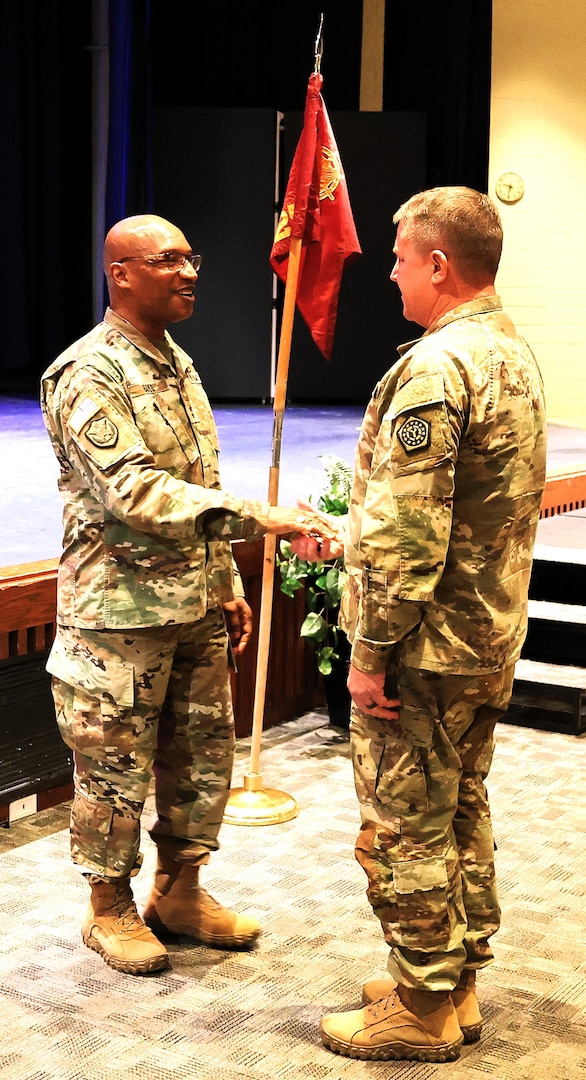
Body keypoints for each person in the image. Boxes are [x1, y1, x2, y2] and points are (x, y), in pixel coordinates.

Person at [40, 213, 340, 976]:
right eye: (167, 259)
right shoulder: (89, 372)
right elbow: (135, 492)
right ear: (121, 274)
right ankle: (107, 908)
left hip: (194, 608)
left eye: (191, 257)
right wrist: (258, 518)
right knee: (113, 772)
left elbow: (195, 484)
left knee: (202, 757)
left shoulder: (176, 362)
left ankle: (179, 891)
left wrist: (225, 581)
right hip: (118, 618)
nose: (189, 271)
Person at [293, 187, 547, 1063]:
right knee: (460, 809)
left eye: (400, 259)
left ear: (438, 264)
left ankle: (421, 1006)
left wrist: (369, 653)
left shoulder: (437, 367)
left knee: (403, 824)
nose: (392, 274)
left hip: (423, 650)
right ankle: (454, 973)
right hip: (482, 637)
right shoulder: (509, 352)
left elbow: (410, 537)